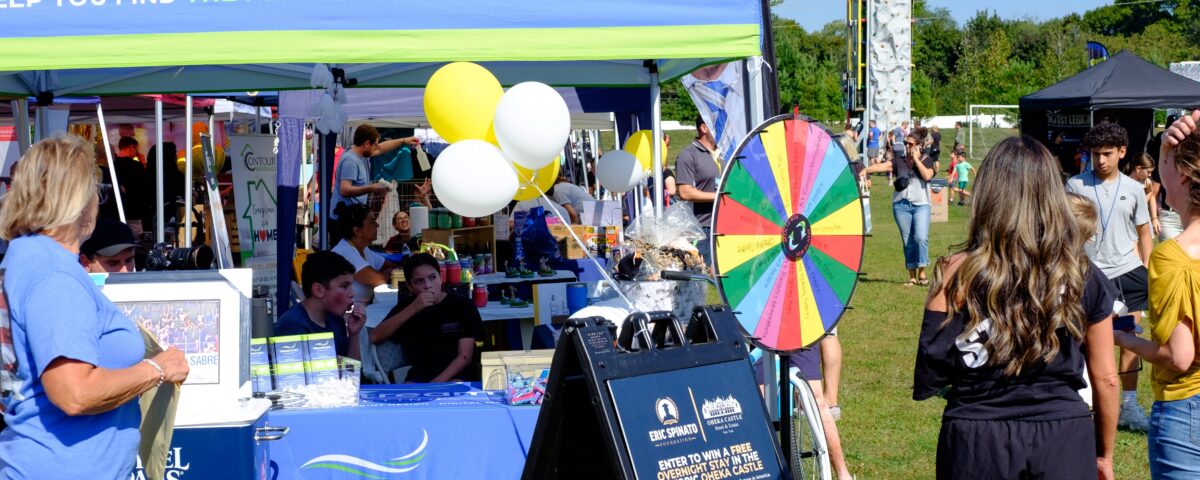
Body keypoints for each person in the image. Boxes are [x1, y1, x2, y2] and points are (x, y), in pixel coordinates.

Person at [914, 135, 1119, 480]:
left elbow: (932, 369)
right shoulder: (1082, 273)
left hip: (977, 437)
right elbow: (1107, 379)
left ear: (988, 194)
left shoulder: (956, 273)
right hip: (1063, 436)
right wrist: (1104, 455)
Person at [0, 135, 189, 479]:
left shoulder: (27, 256)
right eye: (96, 190)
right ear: (76, 199)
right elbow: (74, 392)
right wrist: (156, 369)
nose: (97, 202)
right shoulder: (54, 272)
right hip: (63, 466)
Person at [1112, 111, 1200, 478]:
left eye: (1166, 166)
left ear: (1183, 176)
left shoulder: (1172, 257)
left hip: (1187, 409)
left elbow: (1179, 357)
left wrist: (1124, 339)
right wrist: (1167, 147)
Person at [1065, 122, 1154, 432]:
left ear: (1122, 152)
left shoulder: (1134, 188)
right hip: (1087, 274)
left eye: (1107, 154)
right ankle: (1083, 402)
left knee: (1130, 339)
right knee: (1082, 339)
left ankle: (1129, 406)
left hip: (1128, 272)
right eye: (1095, 154)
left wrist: (1147, 268)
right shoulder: (1075, 185)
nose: (1100, 160)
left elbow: (1144, 231)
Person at [370, 253, 483, 383]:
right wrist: (413, 308)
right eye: (419, 281)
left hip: (458, 374)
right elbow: (375, 337)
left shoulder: (462, 305)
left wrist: (434, 384)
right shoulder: (408, 306)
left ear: (441, 277)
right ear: (410, 286)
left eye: (432, 277)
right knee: (406, 393)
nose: (428, 285)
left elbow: (464, 356)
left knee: (453, 389)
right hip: (420, 375)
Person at [754, 347, 854, 480]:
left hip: (797, 337)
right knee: (759, 400)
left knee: (816, 399)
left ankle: (843, 474)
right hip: (764, 338)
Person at [860, 128, 937, 286]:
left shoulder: (927, 160)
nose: (907, 146)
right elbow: (883, 166)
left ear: (919, 146)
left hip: (922, 205)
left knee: (920, 238)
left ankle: (922, 271)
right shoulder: (899, 160)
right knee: (908, 241)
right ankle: (912, 276)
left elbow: (927, 176)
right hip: (901, 206)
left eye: (911, 144)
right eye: (906, 143)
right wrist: (866, 169)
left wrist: (916, 160)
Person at [275, 251, 365, 359]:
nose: (353, 293)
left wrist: (354, 335)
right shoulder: (292, 328)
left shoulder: (335, 319)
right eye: (344, 286)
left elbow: (351, 368)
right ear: (318, 290)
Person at [330, 125, 420, 224]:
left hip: (351, 216)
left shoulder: (361, 153)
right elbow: (344, 189)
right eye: (375, 145)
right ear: (367, 144)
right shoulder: (350, 161)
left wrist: (403, 141)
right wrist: (372, 188)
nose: (377, 148)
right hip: (342, 220)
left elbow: (381, 149)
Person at [331, 203, 398, 312]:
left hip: (361, 311)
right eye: (372, 222)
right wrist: (389, 274)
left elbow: (392, 267)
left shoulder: (364, 250)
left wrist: (393, 272)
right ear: (357, 231)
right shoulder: (345, 252)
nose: (377, 225)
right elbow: (378, 279)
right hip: (346, 315)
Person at [675, 115, 721, 266]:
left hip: (727, 225)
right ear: (704, 128)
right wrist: (719, 196)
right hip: (701, 229)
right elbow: (685, 192)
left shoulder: (725, 153)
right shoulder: (688, 155)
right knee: (701, 275)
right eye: (717, 124)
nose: (722, 128)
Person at [98, 136, 148, 237]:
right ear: (131, 148)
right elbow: (144, 188)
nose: (136, 152)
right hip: (133, 212)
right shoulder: (137, 166)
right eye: (136, 149)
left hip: (114, 213)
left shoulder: (111, 165)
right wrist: (143, 163)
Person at [1125, 153, 1160, 237]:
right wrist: (1148, 195)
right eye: (1148, 172)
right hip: (1128, 222)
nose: (1150, 175)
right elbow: (1135, 204)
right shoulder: (1124, 183)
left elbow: (1152, 198)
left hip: (1143, 221)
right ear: (1138, 169)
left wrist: (1154, 218)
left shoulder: (1147, 182)